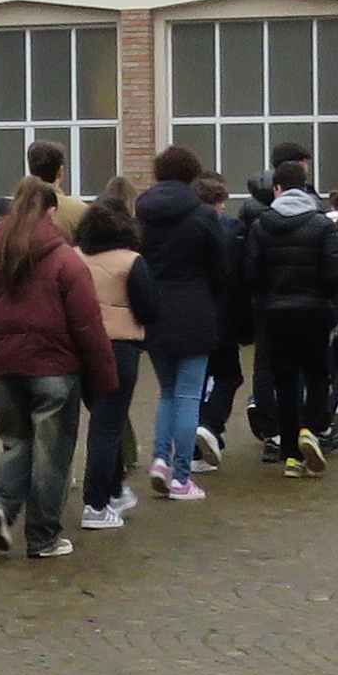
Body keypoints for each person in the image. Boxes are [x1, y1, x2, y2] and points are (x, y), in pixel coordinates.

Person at [0, 173, 113, 555]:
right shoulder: (65, 259)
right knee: (52, 454)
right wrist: (104, 378)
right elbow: (87, 324)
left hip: (2, 367)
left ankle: (0, 504)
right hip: (53, 368)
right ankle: (43, 536)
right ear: (50, 210)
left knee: (16, 443)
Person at [124, 146, 237, 505]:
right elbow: (222, 266)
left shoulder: (142, 212)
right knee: (189, 395)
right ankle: (182, 476)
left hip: (155, 310)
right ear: (192, 173)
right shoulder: (204, 215)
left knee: (168, 393)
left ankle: (160, 460)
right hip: (195, 311)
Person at [239, 143, 338, 474]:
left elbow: (250, 273)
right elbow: (337, 272)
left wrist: (265, 299)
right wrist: (325, 298)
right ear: (305, 187)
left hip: (274, 314)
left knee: (283, 380)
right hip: (314, 312)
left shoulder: (261, 225)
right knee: (317, 374)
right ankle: (310, 431)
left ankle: (290, 455)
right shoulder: (322, 224)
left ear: (277, 188)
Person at [74, 191, 145, 524]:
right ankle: (97, 504)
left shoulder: (73, 258)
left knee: (103, 421)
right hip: (120, 347)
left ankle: (115, 490)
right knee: (107, 426)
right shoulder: (131, 262)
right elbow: (149, 307)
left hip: (80, 346)